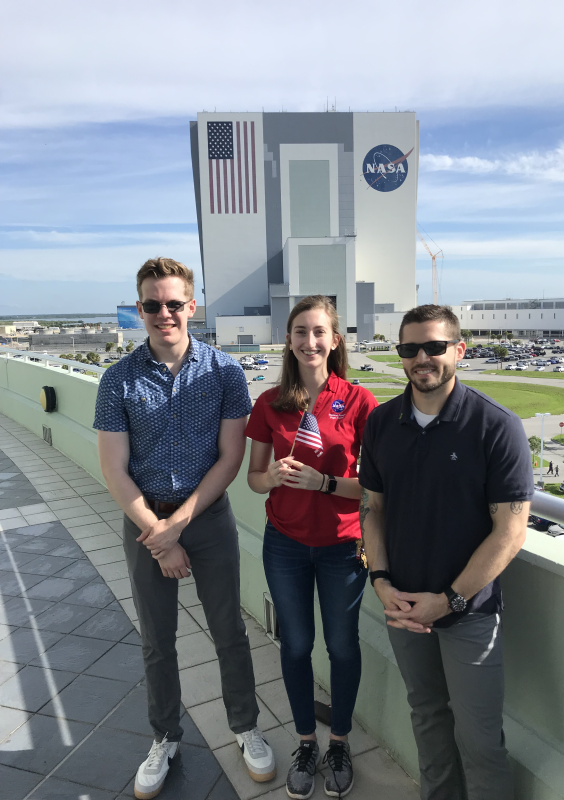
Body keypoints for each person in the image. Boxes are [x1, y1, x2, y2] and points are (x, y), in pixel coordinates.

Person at [94, 257, 275, 799]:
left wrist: (179, 525)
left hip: (207, 516)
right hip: (144, 520)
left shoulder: (224, 372)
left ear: (192, 307)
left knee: (229, 632)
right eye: (152, 304)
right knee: (157, 640)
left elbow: (229, 459)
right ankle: (164, 737)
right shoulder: (118, 380)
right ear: (140, 309)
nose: (164, 313)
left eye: (174, 303)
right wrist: (158, 532)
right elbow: (114, 468)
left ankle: (245, 727)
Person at [359, 304, 533, 800]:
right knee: (428, 721)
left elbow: (510, 532)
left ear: (458, 349)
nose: (422, 358)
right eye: (410, 348)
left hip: (469, 612)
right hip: (403, 606)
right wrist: (381, 581)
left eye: (435, 346)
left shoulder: (495, 426)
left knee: (480, 741)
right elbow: (374, 511)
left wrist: (450, 600)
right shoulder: (382, 423)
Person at [245, 295, 378, 799]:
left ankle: (339, 741)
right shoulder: (270, 402)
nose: (309, 341)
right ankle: (306, 741)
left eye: (319, 331)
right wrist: (273, 475)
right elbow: (255, 479)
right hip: (285, 546)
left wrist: (324, 483)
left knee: (342, 647)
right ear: (289, 340)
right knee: (296, 646)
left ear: (335, 340)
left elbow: (373, 488)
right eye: (300, 331)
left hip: (343, 548)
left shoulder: (360, 402)